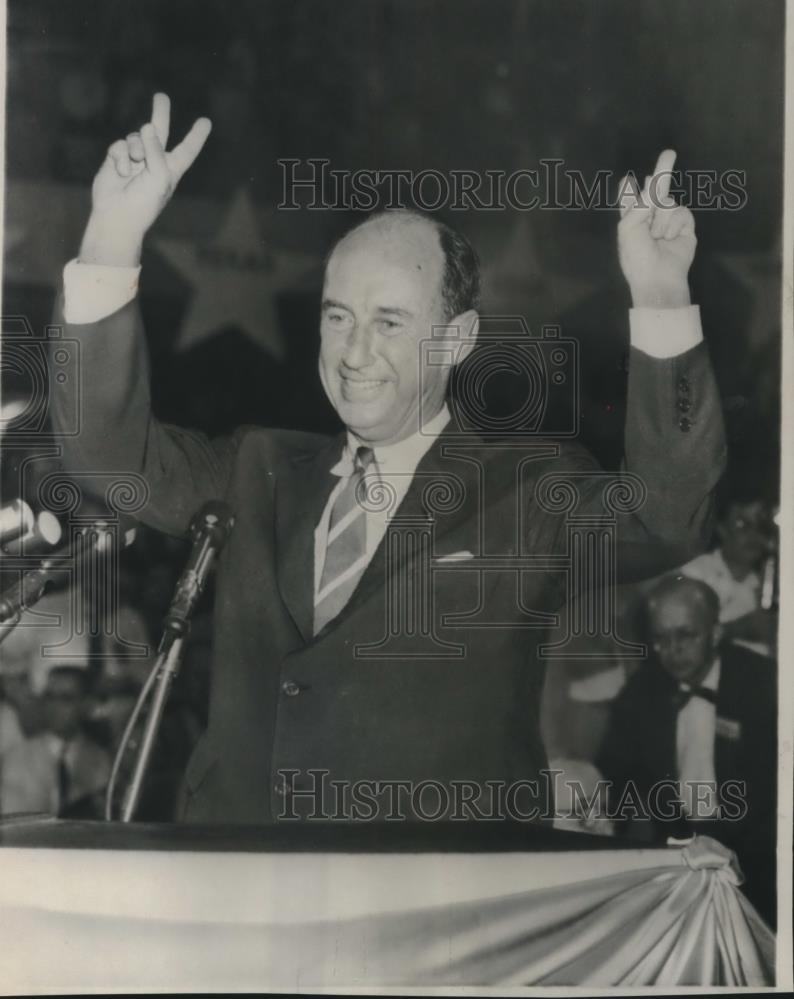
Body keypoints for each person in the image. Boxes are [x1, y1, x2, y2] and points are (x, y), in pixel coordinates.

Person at [51, 92, 725, 824]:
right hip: (241, 894)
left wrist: (661, 296)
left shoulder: (528, 489)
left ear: (458, 339)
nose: (354, 352)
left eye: (390, 322)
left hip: (430, 910)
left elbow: (668, 517)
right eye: (337, 317)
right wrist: (111, 238)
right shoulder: (256, 468)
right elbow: (104, 453)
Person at [597, 576, 776, 922]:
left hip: (760, 856)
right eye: (661, 639)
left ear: (715, 632)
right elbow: (615, 779)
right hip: (678, 856)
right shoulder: (642, 691)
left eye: (685, 635)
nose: (673, 650)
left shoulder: (765, 684)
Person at [0, 666, 111, 818]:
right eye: (49, 696)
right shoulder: (18, 758)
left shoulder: (101, 760)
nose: (54, 706)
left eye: (66, 698)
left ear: (86, 704)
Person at [679, 494, 777, 656]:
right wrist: (738, 629)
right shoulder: (696, 573)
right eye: (742, 524)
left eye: (760, 526)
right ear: (722, 529)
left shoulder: (770, 584)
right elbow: (681, 640)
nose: (753, 535)